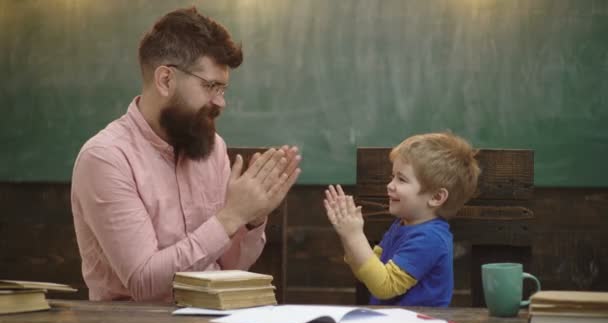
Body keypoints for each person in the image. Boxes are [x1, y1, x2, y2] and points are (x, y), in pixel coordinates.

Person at [71, 7, 301, 302]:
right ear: (166, 80)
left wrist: (252, 220)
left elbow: (231, 266)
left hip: (209, 322)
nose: (221, 102)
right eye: (210, 86)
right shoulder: (106, 158)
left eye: (223, 89)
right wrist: (232, 216)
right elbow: (144, 283)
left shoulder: (212, 147)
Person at [324, 132, 480, 307]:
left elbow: (385, 286)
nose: (390, 185)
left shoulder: (430, 239)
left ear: (436, 197)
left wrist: (354, 236)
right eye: (393, 177)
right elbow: (366, 272)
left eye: (402, 179)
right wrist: (347, 235)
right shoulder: (401, 225)